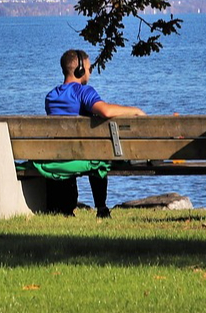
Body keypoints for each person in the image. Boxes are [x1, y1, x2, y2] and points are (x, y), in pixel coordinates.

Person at [38, 48, 145, 218]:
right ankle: (101, 208)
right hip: (83, 155)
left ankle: (65, 209)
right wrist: (136, 111)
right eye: (89, 68)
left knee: (78, 151)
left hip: (57, 157)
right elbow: (106, 111)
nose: (89, 72)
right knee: (98, 155)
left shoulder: (51, 96)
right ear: (80, 70)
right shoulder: (83, 92)